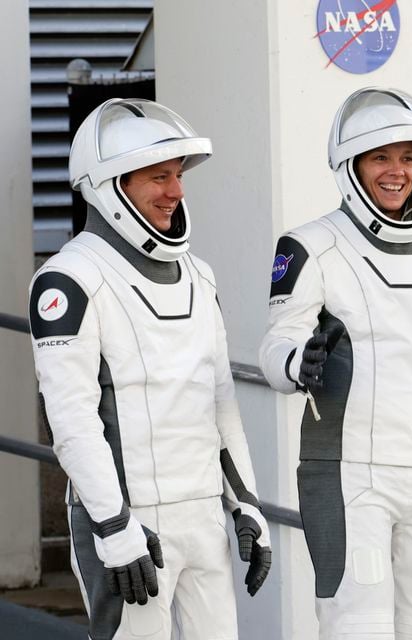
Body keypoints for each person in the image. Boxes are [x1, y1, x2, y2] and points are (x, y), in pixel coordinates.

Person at [258, 86, 412, 639]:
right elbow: (275, 349)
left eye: (408, 158)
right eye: (381, 157)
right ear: (351, 166)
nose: (397, 172)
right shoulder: (308, 247)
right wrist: (300, 362)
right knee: (357, 626)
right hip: (349, 476)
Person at [28, 99, 271, 639]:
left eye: (178, 176)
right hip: (130, 524)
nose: (177, 192)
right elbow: (71, 421)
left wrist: (247, 505)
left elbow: (220, 402)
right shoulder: (68, 279)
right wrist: (113, 528)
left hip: (204, 515)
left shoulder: (199, 276)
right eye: (159, 177)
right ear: (110, 185)